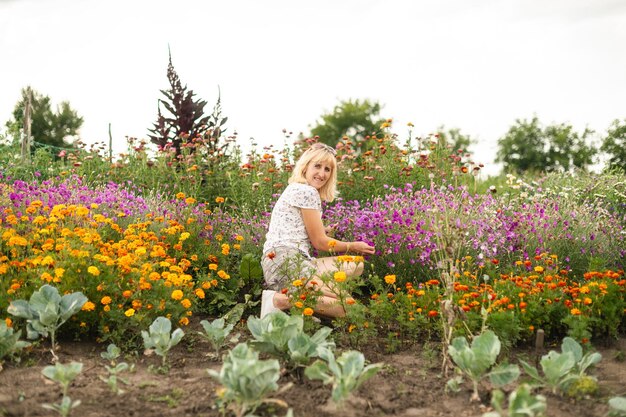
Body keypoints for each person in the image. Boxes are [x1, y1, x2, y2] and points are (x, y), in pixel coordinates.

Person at [260, 142, 376, 319]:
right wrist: (352, 245)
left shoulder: (298, 189)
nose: (322, 174)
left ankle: (304, 305)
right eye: (317, 166)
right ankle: (279, 301)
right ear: (305, 167)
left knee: (356, 264)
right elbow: (320, 243)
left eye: (327, 169)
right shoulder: (306, 191)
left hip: (290, 259)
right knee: (348, 307)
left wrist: (325, 231)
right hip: (285, 262)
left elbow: (299, 231)